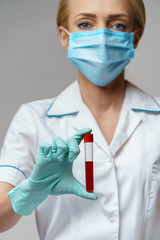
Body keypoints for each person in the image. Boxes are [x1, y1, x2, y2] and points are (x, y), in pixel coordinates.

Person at [0, 0, 160, 239]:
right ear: (65, 37)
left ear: (134, 38)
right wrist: (32, 191)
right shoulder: (33, 120)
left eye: (117, 25)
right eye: (85, 23)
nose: (102, 36)